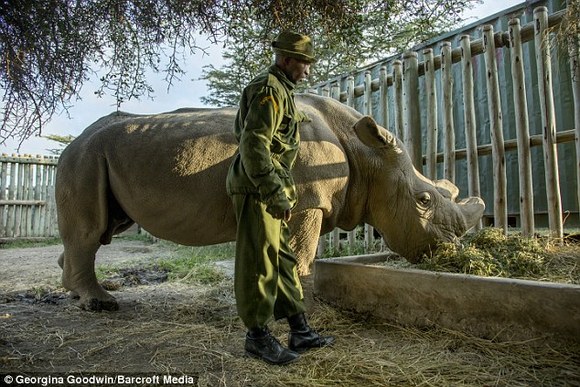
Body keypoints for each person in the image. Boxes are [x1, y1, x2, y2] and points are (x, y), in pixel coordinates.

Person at [226, 31, 334, 365]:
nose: (307, 71)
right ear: (285, 60)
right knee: (260, 262)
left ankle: (299, 328)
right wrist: (273, 192)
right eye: (303, 63)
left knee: (282, 259)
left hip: (272, 189)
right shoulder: (268, 89)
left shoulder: (280, 90)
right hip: (259, 189)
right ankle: (257, 337)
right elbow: (254, 145)